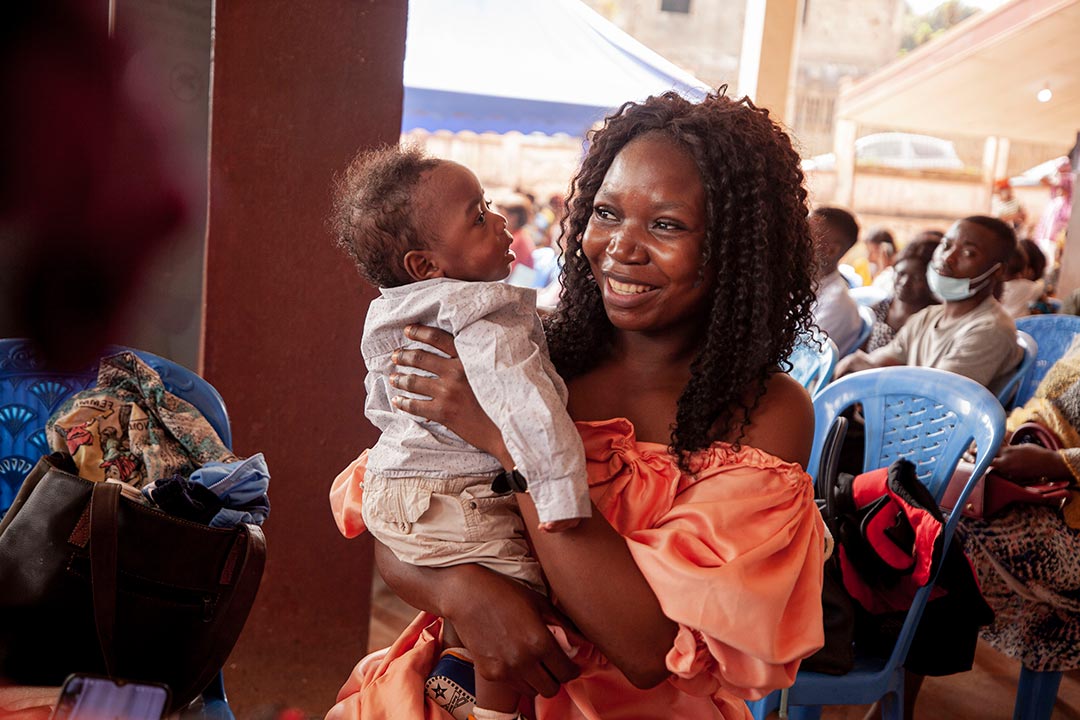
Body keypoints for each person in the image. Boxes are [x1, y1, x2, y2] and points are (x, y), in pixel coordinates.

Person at [327, 90, 827, 720]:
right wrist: (464, 592)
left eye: (666, 224)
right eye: (607, 213)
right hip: (469, 679)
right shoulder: (525, 352)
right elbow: (394, 509)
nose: (621, 247)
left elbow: (647, 648)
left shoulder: (764, 413)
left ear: (736, 249)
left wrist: (510, 444)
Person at [331, 145, 592, 720]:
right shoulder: (484, 320)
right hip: (451, 493)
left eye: (489, 205)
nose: (500, 221)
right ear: (426, 265)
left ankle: (459, 686)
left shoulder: (394, 309)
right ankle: (494, 713)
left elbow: (382, 398)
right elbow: (532, 420)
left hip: (394, 483)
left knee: (480, 591)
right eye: (479, 215)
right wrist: (560, 499)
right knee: (519, 599)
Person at [959, 335, 1080, 673]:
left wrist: (1054, 463)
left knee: (944, 535)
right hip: (1041, 490)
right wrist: (1000, 437)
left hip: (1070, 523)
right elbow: (1043, 409)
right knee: (920, 508)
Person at [836, 216, 1022, 397]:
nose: (948, 258)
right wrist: (859, 365)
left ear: (997, 271)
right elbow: (882, 360)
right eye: (946, 246)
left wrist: (873, 377)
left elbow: (936, 398)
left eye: (968, 253)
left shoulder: (989, 330)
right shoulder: (927, 317)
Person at [861, 237, 938, 353]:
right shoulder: (879, 309)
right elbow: (861, 352)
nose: (904, 282)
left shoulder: (935, 319)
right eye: (900, 274)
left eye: (917, 278)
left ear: (930, 281)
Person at [810, 207, 863, 355]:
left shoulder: (837, 304)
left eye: (807, 237)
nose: (796, 241)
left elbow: (802, 360)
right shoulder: (807, 287)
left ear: (831, 251)